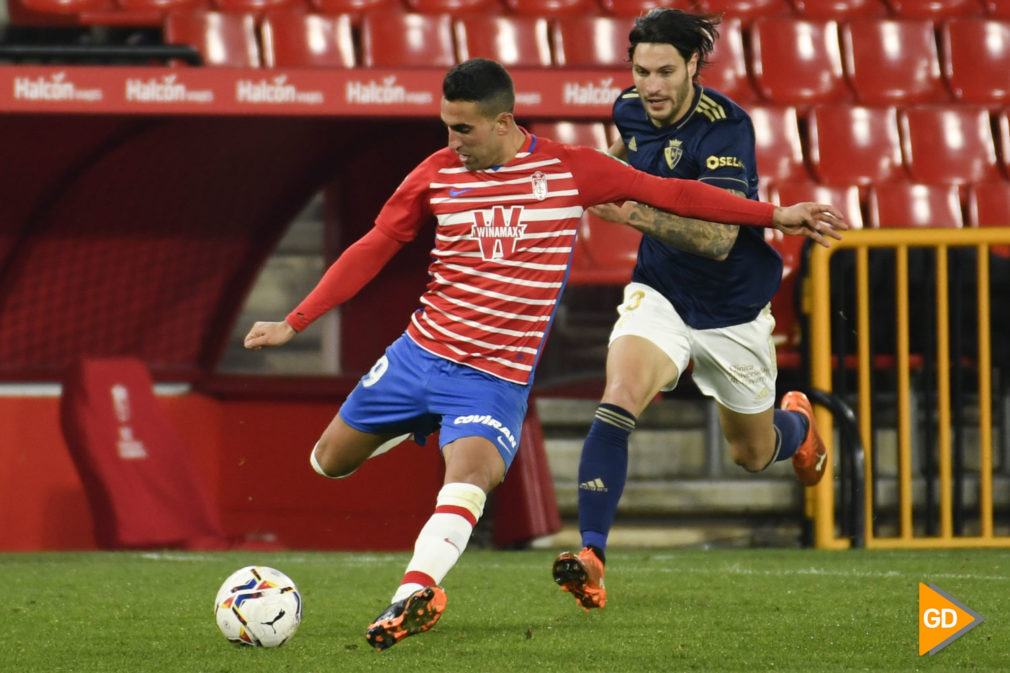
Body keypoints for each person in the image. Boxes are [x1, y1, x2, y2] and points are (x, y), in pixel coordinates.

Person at [243, 57, 846, 650]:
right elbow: (376, 245)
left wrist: (777, 215)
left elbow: (677, 193)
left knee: (469, 481)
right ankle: (424, 423)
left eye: (464, 129)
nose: (452, 142)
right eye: (446, 127)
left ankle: (414, 594)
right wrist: (296, 321)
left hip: (491, 381)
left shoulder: (570, 171)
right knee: (328, 462)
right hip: (417, 355)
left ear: (504, 122)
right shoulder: (434, 173)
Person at [552, 9, 831, 612]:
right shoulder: (629, 107)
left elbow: (719, 238)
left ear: (694, 67)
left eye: (665, 72)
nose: (650, 85)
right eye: (641, 70)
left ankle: (801, 427)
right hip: (661, 294)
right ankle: (592, 555)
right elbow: (618, 155)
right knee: (619, 395)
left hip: (732, 309)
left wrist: (627, 212)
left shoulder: (727, 128)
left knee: (753, 455)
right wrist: (598, 176)